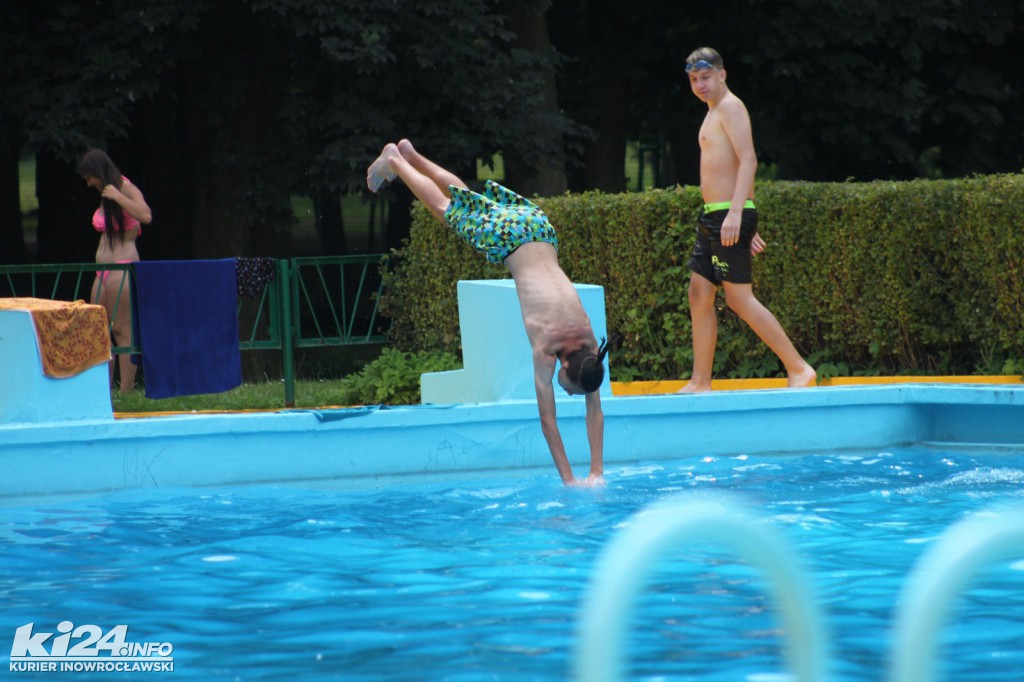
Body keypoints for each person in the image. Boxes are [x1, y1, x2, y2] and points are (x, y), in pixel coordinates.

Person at [368, 140, 608, 486]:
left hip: (538, 227)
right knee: (445, 208)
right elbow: (548, 423)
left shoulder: (589, 347)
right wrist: (571, 481)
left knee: (465, 200)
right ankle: (397, 162)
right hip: (507, 239)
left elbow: (595, 411)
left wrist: (597, 471)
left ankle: (412, 154)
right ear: (566, 365)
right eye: (571, 389)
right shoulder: (546, 350)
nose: (570, 393)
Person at [678, 48, 816, 393]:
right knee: (699, 293)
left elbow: (749, 160)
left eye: (706, 77)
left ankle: (799, 368)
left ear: (723, 74)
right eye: (694, 80)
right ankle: (700, 381)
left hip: (728, 213)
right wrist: (742, 217)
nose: (700, 85)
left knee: (739, 299)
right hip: (716, 216)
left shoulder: (730, 107)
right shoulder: (712, 112)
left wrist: (739, 213)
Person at [76, 148, 153, 393]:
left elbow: (146, 215)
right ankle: (103, 391)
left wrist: (119, 197)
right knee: (99, 330)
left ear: (99, 171)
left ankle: (126, 392)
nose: (88, 183)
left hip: (122, 268)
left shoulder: (125, 189)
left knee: (122, 330)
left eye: (89, 177)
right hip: (102, 271)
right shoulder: (104, 194)